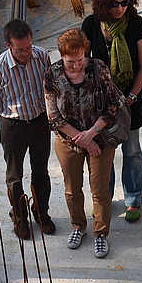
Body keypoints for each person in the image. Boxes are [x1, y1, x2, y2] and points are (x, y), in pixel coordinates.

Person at [43, 29, 125, 258]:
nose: (76, 66)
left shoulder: (98, 68)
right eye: (70, 61)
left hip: (99, 137)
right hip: (68, 141)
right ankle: (78, 227)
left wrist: (93, 132)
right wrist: (84, 141)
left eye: (80, 60)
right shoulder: (52, 74)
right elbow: (53, 117)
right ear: (62, 56)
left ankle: (101, 233)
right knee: (72, 189)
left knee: (100, 189)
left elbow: (113, 104)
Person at [81, 0, 142, 222]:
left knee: (132, 151)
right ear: (103, 3)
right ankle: (104, 199)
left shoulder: (137, 24)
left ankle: (133, 200)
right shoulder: (90, 25)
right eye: (115, 4)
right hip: (100, 103)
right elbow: (83, 64)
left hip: (130, 101)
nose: (121, 8)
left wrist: (130, 97)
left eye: (125, 2)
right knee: (103, 151)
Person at [0, 19, 55, 238]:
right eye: (20, 50)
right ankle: (19, 217)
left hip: (40, 122)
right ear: (8, 46)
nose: (26, 53)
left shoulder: (42, 56)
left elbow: (50, 88)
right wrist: (14, 117)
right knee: (15, 176)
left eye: (28, 48)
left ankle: (41, 213)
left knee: (41, 171)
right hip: (13, 127)